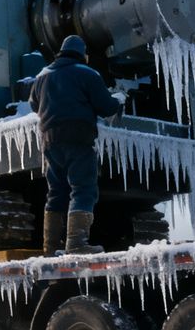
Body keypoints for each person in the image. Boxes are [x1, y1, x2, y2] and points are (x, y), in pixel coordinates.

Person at [29, 35, 124, 254]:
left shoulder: (42, 76)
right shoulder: (87, 74)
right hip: (78, 140)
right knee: (83, 189)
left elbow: (34, 104)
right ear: (82, 54)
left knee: (56, 191)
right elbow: (106, 107)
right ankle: (77, 243)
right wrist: (118, 101)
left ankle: (50, 247)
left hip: (50, 142)